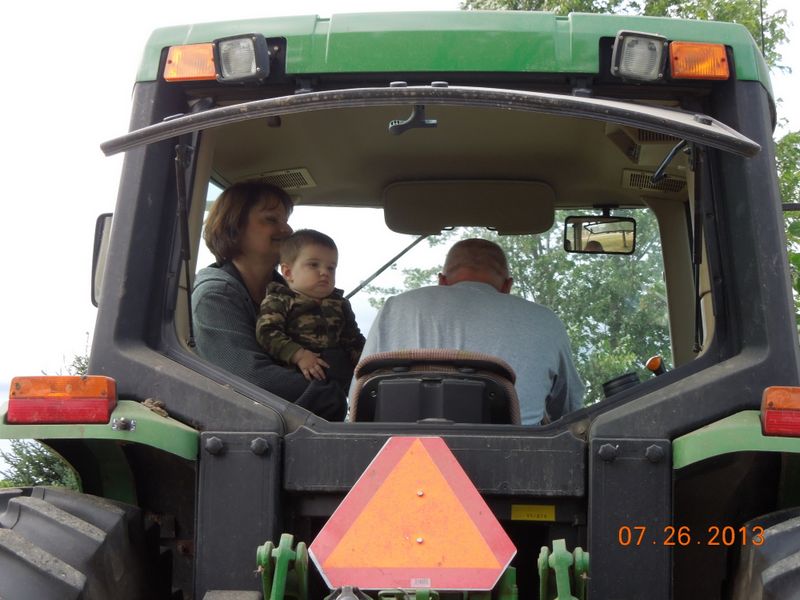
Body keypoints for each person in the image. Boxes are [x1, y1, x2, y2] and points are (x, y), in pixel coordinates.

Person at [359, 238, 584, 425]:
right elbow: (570, 412)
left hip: (397, 462)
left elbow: (359, 397)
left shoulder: (394, 307)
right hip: (512, 462)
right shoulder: (544, 320)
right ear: (507, 286)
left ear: (442, 282)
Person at [192, 181, 346, 421]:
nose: (287, 230)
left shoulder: (292, 292)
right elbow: (248, 376)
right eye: (271, 220)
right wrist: (330, 396)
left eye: (285, 220)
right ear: (235, 227)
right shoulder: (215, 296)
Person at [255, 229, 365, 388]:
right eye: (314, 265)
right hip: (297, 380)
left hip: (339, 381)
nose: (324, 273)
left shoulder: (340, 304)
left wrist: (368, 364)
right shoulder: (279, 300)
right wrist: (299, 355)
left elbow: (353, 340)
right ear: (288, 272)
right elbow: (266, 332)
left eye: (331, 268)